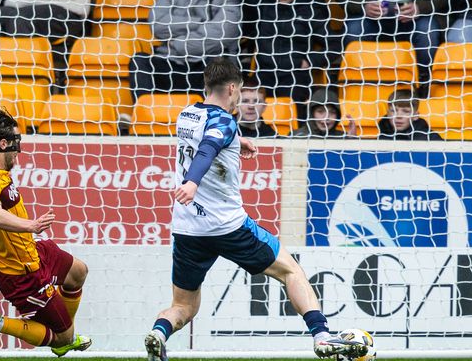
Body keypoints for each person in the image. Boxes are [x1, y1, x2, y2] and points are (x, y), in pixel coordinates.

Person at [144, 58, 368, 361]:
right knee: (291, 270)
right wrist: (192, 183)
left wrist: (239, 142)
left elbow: (210, 138)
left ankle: (159, 332)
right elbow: (208, 148)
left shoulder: (187, 114)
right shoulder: (225, 122)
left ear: (206, 85)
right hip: (227, 225)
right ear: (233, 88)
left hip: (187, 228)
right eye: (239, 93)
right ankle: (322, 335)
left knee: (184, 306)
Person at [0, 108, 91, 357]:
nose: (18, 150)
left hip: (32, 249)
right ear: (3, 144)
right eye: (16, 143)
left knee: (78, 272)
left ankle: (66, 329)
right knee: (61, 340)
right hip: (21, 272)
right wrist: (31, 225)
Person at [128, 0, 242, 101]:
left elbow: (222, 34)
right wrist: (198, 22)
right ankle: (144, 112)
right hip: (170, 61)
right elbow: (158, 25)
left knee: (221, 68)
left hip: (204, 64)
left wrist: (179, 44)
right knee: (140, 61)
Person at [245, 0, 333, 105]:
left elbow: (335, 44)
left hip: (295, 76)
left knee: (290, 108)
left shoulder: (309, 12)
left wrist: (310, 61)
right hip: (265, 74)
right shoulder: (263, 8)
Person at [378, 89, 443, 140]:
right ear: (388, 113)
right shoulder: (380, 135)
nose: (398, 116)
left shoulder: (430, 138)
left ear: (415, 116)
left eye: (406, 111)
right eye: (393, 111)